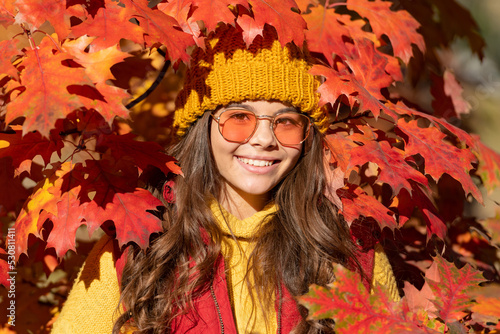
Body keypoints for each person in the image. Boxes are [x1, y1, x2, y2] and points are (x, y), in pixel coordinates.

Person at [51, 25, 399, 334]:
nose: (265, 139)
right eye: (239, 118)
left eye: (287, 122)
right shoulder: (141, 247)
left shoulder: (350, 251)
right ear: (202, 130)